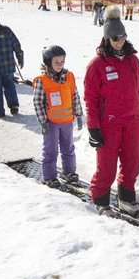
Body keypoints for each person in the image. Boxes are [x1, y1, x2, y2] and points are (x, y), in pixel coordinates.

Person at [83, 5, 139, 215]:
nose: (119, 42)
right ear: (106, 39)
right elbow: (91, 99)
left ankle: (126, 198)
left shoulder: (133, 60)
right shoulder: (97, 65)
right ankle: (101, 200)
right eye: (115, 38)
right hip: (109, 124)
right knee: (107, 167)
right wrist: (93, 128)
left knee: (132, 164)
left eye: (122, 37)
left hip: (133, 121)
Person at [33, 45, 84, 188]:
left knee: (68, 148)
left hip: (67, 121)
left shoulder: (69, 77)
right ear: (48, 62)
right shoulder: (41, 80)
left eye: (62, 62)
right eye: (56, 62)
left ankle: (69, 173)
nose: (60, 65)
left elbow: (75, 96)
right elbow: (38, 102)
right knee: (51, 150)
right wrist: (43, 121)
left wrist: (79, 114)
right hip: (51, 123)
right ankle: (49, 176)